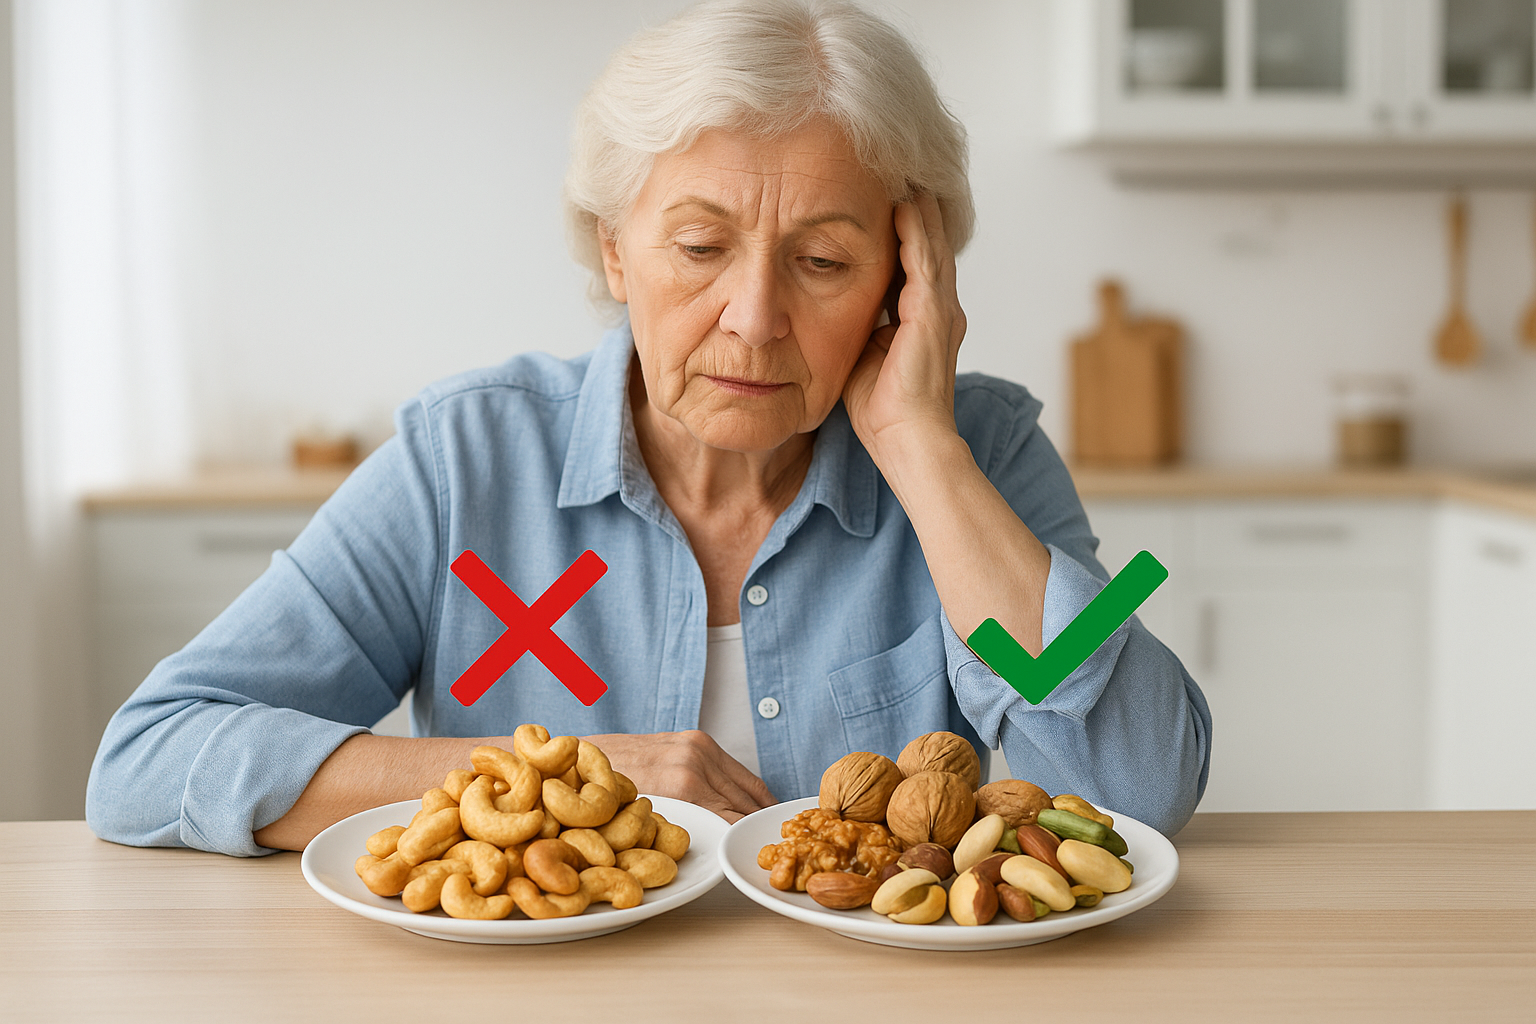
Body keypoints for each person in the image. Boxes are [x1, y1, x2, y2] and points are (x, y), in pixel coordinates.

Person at [86, 0, 1211, 857]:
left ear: (902, 281)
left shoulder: (984, 448)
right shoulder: (464, 457)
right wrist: (556, 771)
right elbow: (148, 756)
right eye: (700, 246)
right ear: (615, 249)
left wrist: (924, 452)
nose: (757, 317)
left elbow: (1140, 785)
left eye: (823, 261)